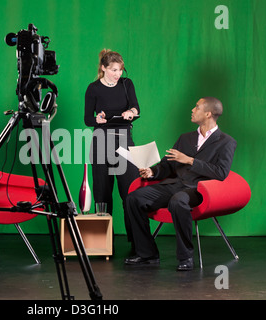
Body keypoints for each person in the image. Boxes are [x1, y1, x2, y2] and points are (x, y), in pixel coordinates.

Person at [125, 97, 236, 271]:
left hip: (199, 190)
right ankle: (147, 254)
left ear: (208, 114)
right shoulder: (186, 138)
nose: (192, 109)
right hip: (174, 185)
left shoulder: (226, 142)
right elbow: (168, 164)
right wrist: (152, 172)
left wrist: (191, 161)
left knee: (178, 201)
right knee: (134, 198)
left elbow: (221, 172)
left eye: (197, 107)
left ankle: (186, 257)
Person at [84, 49, 140, 243]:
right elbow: (87, 119)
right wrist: (97, 119)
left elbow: (136, 106)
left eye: (120, 70)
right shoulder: (93, 88)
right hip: (101, 141)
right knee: (102, 194)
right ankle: (102, 242)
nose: (118, 74)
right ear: (103, 68)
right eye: (114, 70)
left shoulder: (127, 84)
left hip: (124, 140)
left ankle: (136, 240)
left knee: (130, 192)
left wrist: (131, 112)